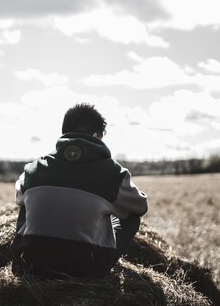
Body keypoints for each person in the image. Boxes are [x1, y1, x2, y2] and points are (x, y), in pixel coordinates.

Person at [11, 103, 148, 278]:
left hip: (33, 265)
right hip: (85, 269)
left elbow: (18, 198)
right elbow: (140, 207)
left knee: (25, 205)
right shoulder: (113, 173)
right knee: (131, 217)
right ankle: (101, 271)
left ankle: (21, 262)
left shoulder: (33, 169)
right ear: (97, 136)